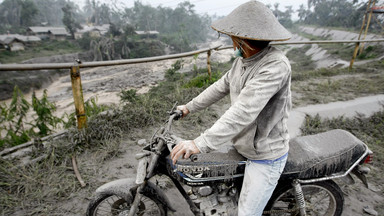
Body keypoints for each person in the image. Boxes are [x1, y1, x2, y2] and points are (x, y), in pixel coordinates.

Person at [170, 1, 292, 215]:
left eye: (232, 38)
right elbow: (222, 85)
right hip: (242, 145)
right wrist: (188, 107)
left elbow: (243, 111)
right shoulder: (244, 59)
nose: (231, 41)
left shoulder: (275, 66)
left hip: (264, 153)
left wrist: (201, 142)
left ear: (242, 40)